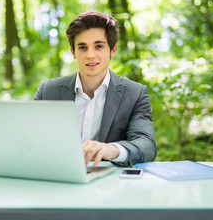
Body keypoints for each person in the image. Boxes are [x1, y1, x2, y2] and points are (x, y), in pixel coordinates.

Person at [33, 11, 156, 167]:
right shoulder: (48, 91)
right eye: (83, 47)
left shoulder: (135, 93)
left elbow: (147, 145)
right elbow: (28, 137)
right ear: (73, 52)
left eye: (98, 46)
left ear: (113, 50)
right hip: (56, 175)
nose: (90, 55)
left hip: (110, 183)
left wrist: (111, 149)